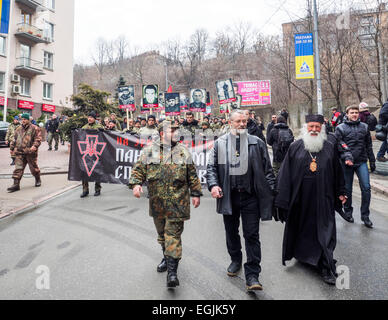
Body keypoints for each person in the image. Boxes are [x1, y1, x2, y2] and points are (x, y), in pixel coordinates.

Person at [206, 110, 276, 292]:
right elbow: (211, 168)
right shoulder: (220, 144)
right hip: (229, 196)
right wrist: (213, 185)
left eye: (244, 121)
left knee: (252, 235)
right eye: (238, 121)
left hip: (251, 197)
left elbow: (268, 171)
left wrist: (272, 194)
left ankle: (252, 274)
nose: (242, 124)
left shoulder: (257, 143)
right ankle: (236, 259)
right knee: (231, 232)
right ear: (230, 123)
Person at [129, 121, 202, 288]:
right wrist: (136, 184)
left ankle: (172, 273)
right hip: (158, 202)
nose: (176, 133)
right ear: (162, 133)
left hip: (178, 201)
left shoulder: (183, 151)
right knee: (162, 236)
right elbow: (139, 170)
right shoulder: (149, 150)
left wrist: (196, 193)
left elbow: (192, 173)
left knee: (173, 236)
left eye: (177, 130)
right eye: (172, 130)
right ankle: (166, 257)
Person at [275, 114, 347, 285]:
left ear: (322, 129)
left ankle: (325, 265)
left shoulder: (329, 147)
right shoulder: (295, 147)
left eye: (317, 127)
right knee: (304, 229)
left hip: (324, 197)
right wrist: (281, 199)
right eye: (311, 127)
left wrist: (342, 191)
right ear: (305, 127)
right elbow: (285, 173)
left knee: (325, 231)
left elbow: (338, 171)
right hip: (301, 198)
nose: (314, 130)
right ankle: (305, 256)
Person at [335, 105, 375, 228]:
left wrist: (372, 161)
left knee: (366, 188)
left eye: (356, 112)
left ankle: (365, 216)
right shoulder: (340, 128)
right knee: (347, 189)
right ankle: (348, 212)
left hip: (362, 161)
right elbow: (338, 146)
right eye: (352, 112)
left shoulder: (365, 127)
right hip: (346, 163)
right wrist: (345, 158)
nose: (354, 114)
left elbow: (369, 145)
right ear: (346, 114)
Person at [7, 114, 42, 193]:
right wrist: (12, 148)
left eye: (25, 119)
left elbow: (38, 139)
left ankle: (37, 179)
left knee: (33, 168)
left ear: (28, 120)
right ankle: (16, 184)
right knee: (18, 168)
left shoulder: (35, 128)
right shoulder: (18, 129)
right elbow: (14, 139)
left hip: (30, 152)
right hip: (19, 152)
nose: (23, 120)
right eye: (22, 119)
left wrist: (34, 146)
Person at [80, 111, 104, 198]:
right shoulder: (84, 127)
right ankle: (85, 190)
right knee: (84, 171)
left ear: (95, 118)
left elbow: (104, 137)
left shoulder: (99, 127)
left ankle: (97, 189)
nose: (89, 119)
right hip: (87, 153)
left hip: (96, 152)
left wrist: (102, 131)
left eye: (91, 117)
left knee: (96, 170)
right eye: (88, 117)